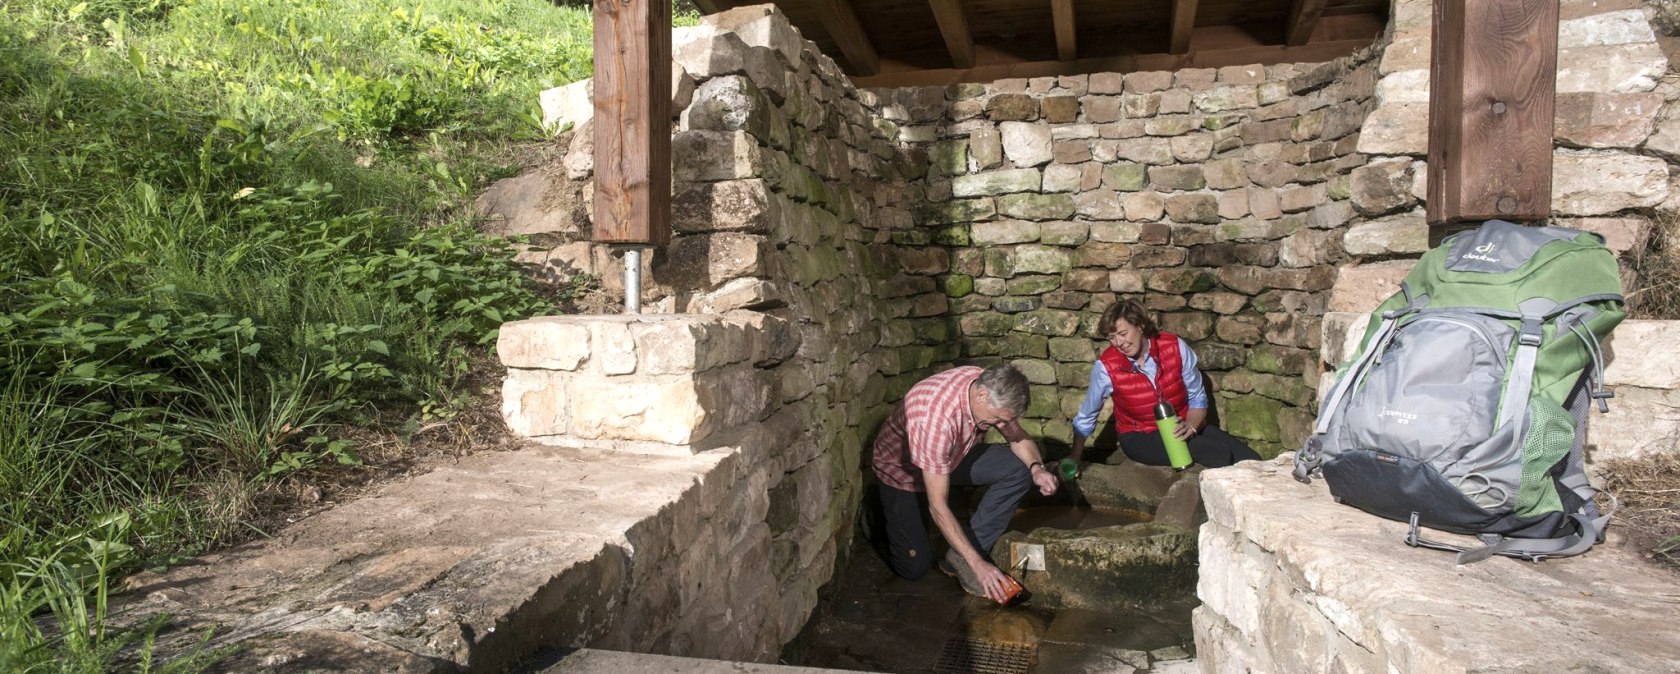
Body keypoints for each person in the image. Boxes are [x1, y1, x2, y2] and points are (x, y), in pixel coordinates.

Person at [870, 363, 1059, 602]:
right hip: (903, 473)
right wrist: (979, 565)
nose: (1001, 426)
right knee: (914, 567)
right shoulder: (935, 419)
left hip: (950, 456)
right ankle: (877, 515)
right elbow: (938, 506)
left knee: (1018, 469)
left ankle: (961, 556)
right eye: (998, 420)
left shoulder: (988, 386)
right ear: (982, 396)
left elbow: (1017, 437)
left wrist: (1037, 469)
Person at [1069, 300, 1261, 469]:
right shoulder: (1106, 367)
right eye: (1112, 337)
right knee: (1216, 453)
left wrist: (1191, 427)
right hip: (1140, 436)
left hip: (1182, 423)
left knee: (1251, 460)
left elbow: (1197, 398)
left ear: (1140, 326)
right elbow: (1087, 415)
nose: (1119, 343)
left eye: (1122, 333)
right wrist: (1075, 458)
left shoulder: (1174, 346)